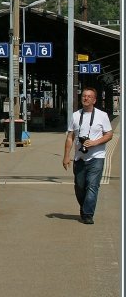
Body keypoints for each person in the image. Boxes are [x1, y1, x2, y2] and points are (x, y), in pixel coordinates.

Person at [63, 88, 113, 224]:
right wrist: (66, 156)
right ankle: (84, 207)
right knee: (79, 187)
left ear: (94, 100)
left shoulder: (102, 115)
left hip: (97, 156)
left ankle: (88, 214)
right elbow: (70, 137)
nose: (86, 98)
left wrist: (95, 142)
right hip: (79, 157)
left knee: (92, 186)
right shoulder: (75, 115)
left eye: (89, 96)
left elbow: (109, 134)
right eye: (84, 96)